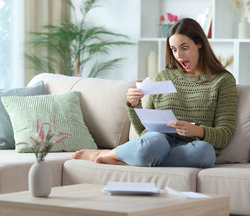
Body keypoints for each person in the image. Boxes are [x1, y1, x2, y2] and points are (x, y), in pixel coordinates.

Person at [70, 18, 237, 168]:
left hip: (190, 147)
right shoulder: (164, 76)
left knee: (205, 153)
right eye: (173, 50)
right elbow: (144, 130)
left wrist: (197, 131)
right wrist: (135, 105)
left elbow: (225, 133)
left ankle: (132, 160)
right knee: (156, 144)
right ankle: (105, 153)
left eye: (184, 48)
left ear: (199, 43)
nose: (179, 55)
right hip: (158, 142)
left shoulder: (222, 81)